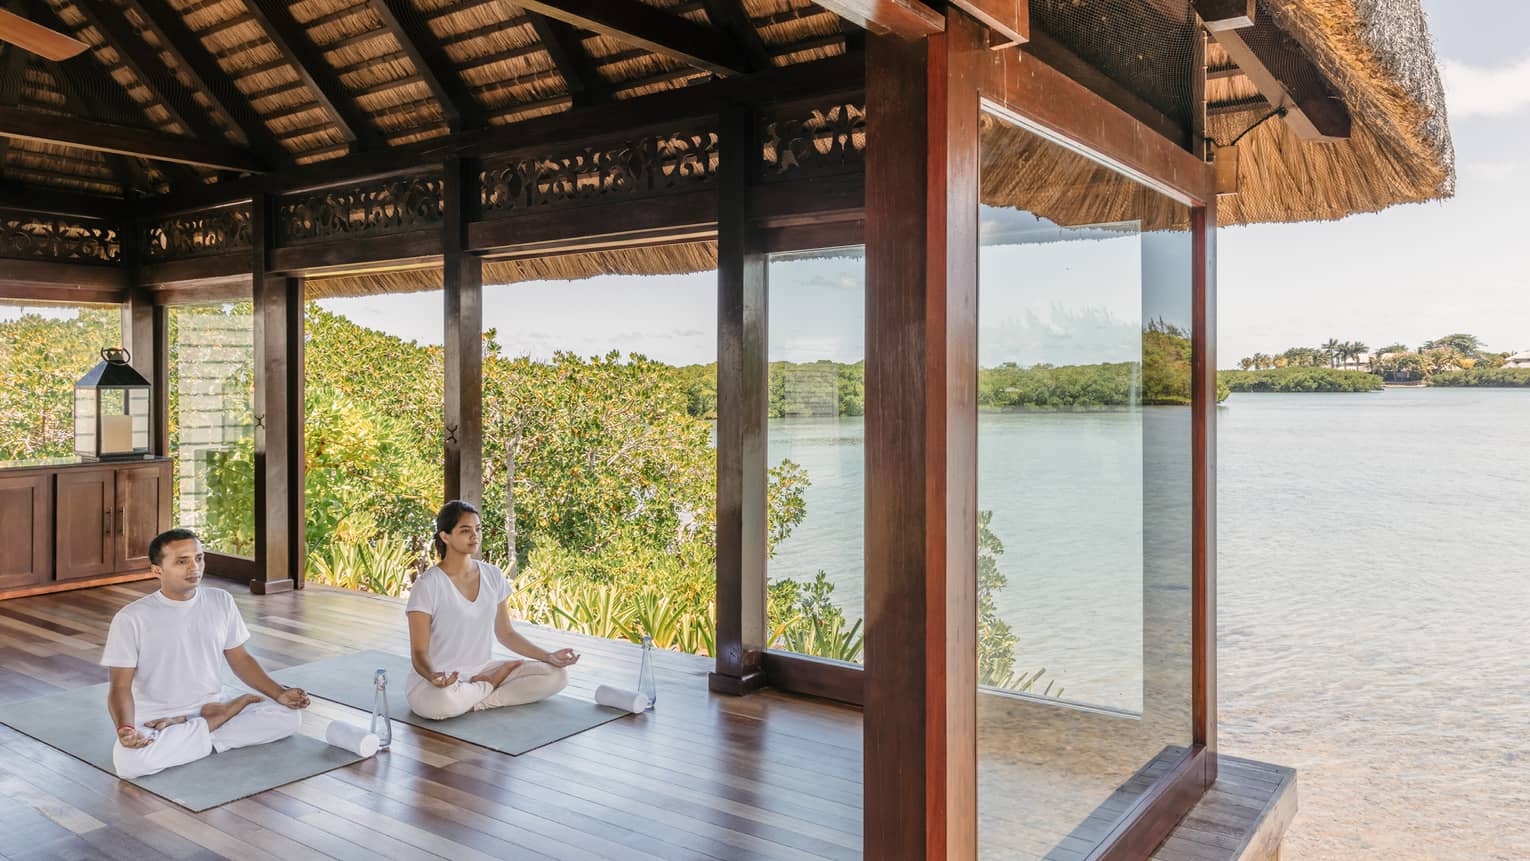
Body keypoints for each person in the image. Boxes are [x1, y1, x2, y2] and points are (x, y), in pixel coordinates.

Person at [103, 528, 310, 780]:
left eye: (199, 558)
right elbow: (119, 687)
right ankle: (217, 721)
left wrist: (279, 693)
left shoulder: (220, 600)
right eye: (182, 561)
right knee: (131, 764)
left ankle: (201, 725)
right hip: (156, 717)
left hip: (211, 703)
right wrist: (125, 728)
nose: (195, 567)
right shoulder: (131, 618)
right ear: (157, 570)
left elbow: (241, 659)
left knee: (289, 717)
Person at [406, 500, 579, 720]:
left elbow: (506, 633)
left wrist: (548, 656)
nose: (474, 536)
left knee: (557, 676)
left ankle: (478, 697)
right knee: (440, 704)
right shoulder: (428, 585)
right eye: (465, 530)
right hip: (438, 680)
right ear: (445, 536)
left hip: (482, 670)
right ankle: (490, 686)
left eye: (478, 529)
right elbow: (419, 652)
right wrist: (434, 677)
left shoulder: (493, 575)